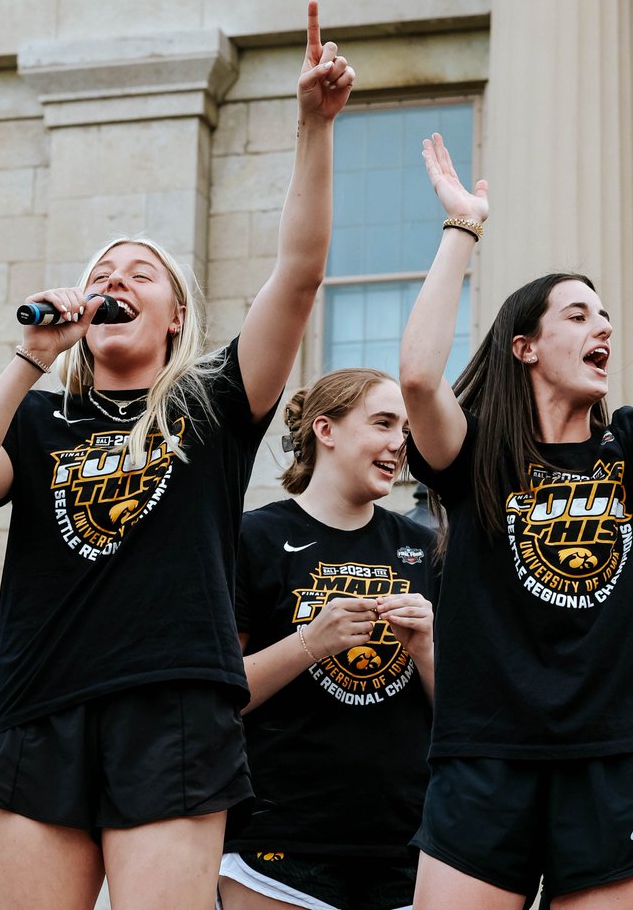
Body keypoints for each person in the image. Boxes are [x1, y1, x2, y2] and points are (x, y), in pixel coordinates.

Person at [0, 0, 354, 910]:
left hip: (173, 708)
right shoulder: (38, 421)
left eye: (137, 274)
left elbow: (300, 272)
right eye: (100, 274)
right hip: (43, 708)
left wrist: (312, 127)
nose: (113, 282)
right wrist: (33, 356)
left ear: (175, 316)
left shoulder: (213, 403)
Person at [398, 126, 633, 910]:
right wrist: (462, 228)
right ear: (525, 347)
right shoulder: (475, 457)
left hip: (616, 758)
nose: (601, 326)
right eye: (577, 315)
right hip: (486, 756)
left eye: (605, 316)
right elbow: (416, 377)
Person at [218, 368, 436, 910]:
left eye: (404, 430)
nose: (398, 444)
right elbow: (216, 696)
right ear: (326, 430)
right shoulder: (254, 538)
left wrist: (427, 649)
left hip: (408, 845)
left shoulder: (426, 548)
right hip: (278, 844)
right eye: (383, 423)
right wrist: (311, 644)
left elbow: (471, 714)